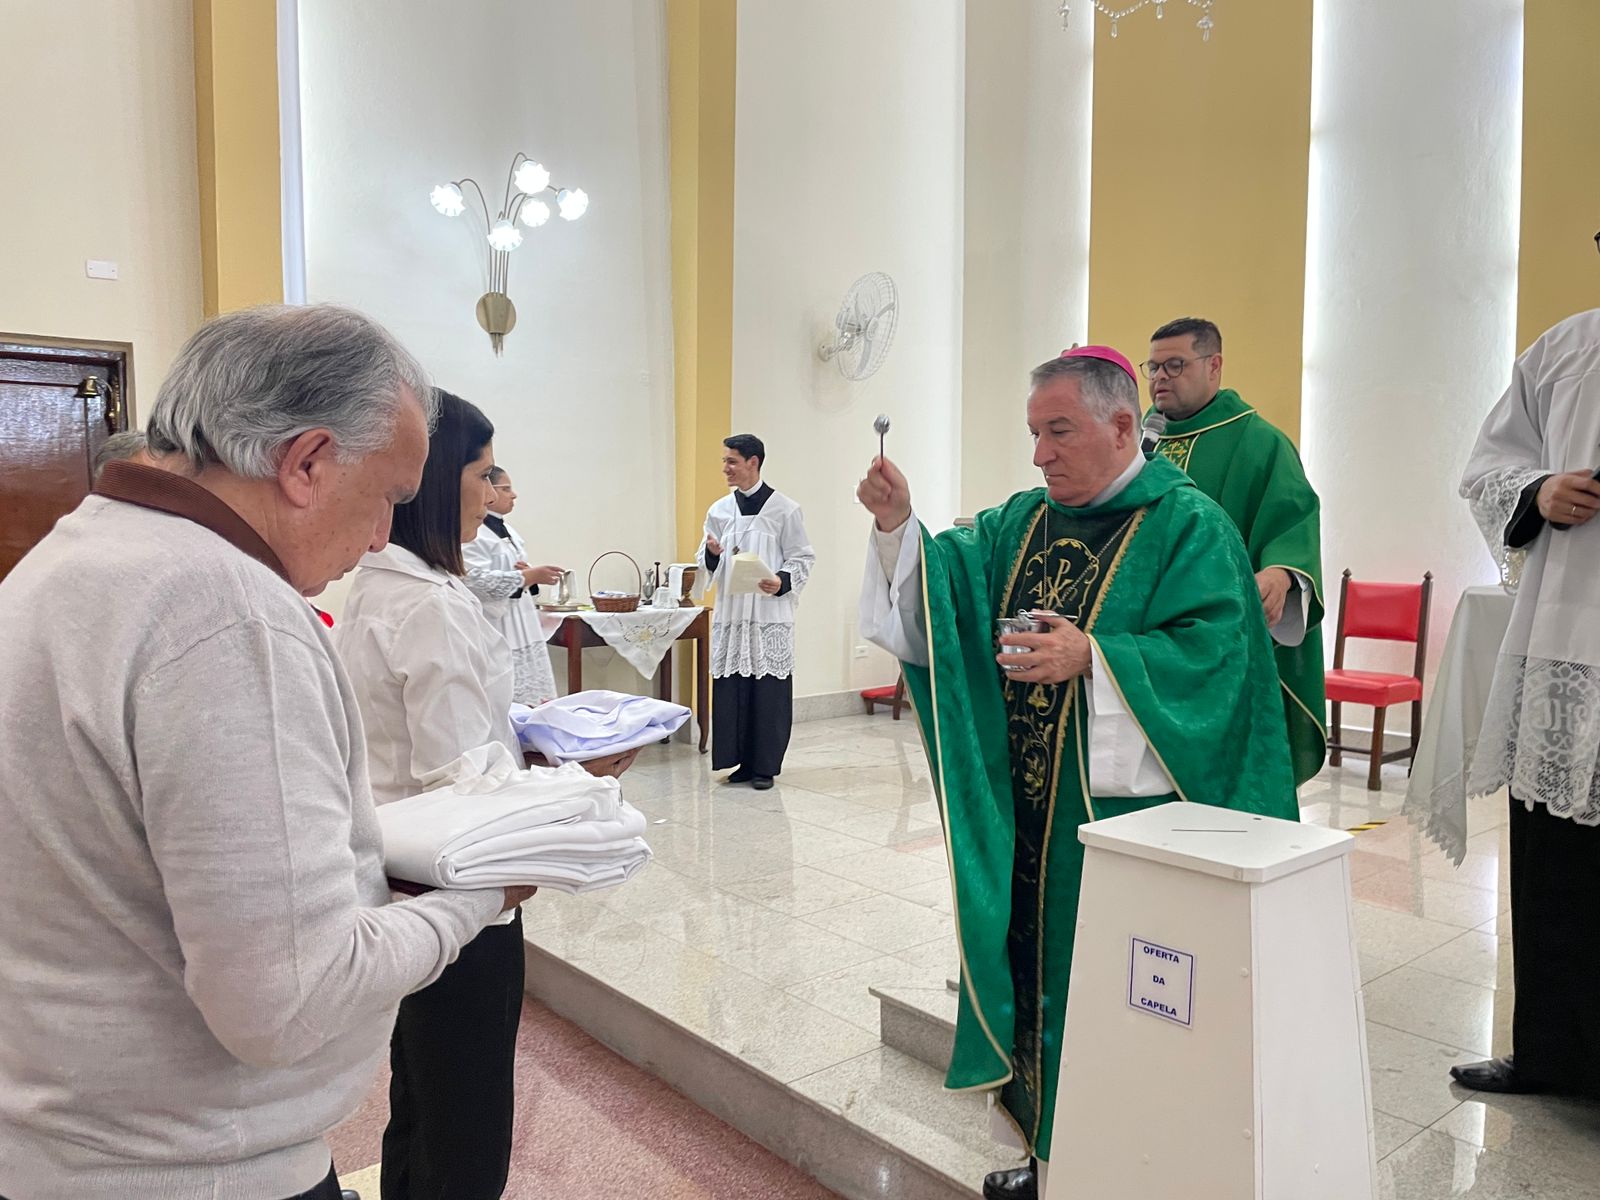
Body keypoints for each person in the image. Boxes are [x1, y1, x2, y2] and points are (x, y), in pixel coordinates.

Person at [0, 305, 527, 1200]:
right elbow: (289, 1001)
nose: (378, 537)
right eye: (387, 497)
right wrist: (482, 896)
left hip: (69, 1136)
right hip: (194, 1165)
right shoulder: (227, 611)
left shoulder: (77, 552)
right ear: (307, 462)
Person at [857, 346, 1298, 1200]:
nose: (1039, 455)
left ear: (1122, 425)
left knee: (1115, 999)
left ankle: (1119, 1172)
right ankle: (1047, 1158)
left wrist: (1095, 656)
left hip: (1127, 833)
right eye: (1034, 432)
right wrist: (898, 526)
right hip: (1032, 820)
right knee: (1044, 988)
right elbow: (943, 594)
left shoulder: (1190, 526)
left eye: (1058, 432)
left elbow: (1220, 661)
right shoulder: (1021, 521)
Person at [334, 392, 529, 1200]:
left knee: (420, 1098)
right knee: (467, 1124)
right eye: (483, 475)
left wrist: (521, 744)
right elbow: (460, 779)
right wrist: (570, 788)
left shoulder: (378, 583)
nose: (492, 492)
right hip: (461, 894)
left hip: (396, 881)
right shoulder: (432, 603)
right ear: (440, 481)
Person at [1451, 308, 1600, 1099]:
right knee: (1552, 864)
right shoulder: (1567, 347)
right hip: (1566, 636)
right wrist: (1539, 491)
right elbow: (1488, 467)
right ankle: (1549, 1053)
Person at [1143, 317, 1327, 785]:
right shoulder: (1136, 443)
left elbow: (1294, 518)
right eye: (1154, 367)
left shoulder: (1259, 442)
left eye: (1175, 365)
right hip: (1143, 639)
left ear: (1214, 366)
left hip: (1221, 640)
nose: (1160, 377)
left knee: (1220, 776)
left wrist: (1282, 574)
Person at [695, 433, 815, 789]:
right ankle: (741, 763)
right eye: (724, 461)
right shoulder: (719, 510)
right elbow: (704, 561)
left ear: (753, 462)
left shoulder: (785, 509)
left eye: (731, 461)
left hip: (767, 613)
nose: (725, 468)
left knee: (767, 691)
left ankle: (765, 767)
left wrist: (782, 580)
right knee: (734, 686)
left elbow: (802, 556)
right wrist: (712, 554)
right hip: (734, 612)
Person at [463, 465, 564, 706]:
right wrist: (526, 577)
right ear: (487, 490)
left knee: (535, 697)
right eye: (506, 489)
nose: (513, 495)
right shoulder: (472, 533)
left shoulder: (507, 530)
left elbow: (513, 570)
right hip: (496, 624)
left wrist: (528, 575)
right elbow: (472, 580)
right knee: (506, 699)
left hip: (522, 621)